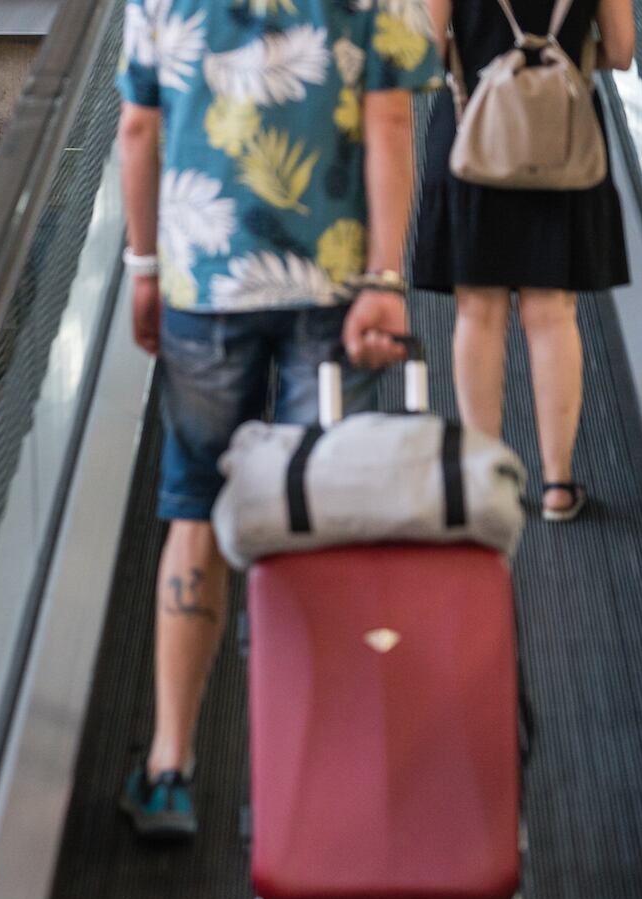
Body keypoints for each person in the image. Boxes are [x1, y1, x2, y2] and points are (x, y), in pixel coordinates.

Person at [116, 0, 440, 839]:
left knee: (192, 511)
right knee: (320, 516)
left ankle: (169, 768)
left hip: (202, 286)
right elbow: (393, 116)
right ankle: (319, 769)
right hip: (330, 291)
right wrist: (383, 280)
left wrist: (144, 265)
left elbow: (138, 129)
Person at [413, 0, 633, 521]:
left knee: (478, 311)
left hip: (473, 127)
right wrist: (561, 56)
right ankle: (558, 485)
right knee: (553, 312)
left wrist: (485, 58)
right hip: (563, 131)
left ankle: (488, 480)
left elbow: (426, 50)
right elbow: (622, 53)